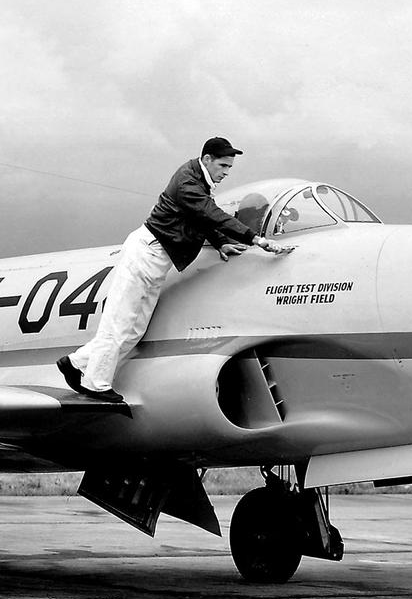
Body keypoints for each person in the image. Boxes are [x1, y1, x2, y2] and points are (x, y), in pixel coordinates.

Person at [57, 137, 293, 403]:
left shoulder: (201, 180)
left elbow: (200, 219)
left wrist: (221, 243)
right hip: (144, 254)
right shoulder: (187, 183)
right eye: (223, 166)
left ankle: (75, 363)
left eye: (229, 167)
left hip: (158, 259)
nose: (226, 172)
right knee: (119, 324)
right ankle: (96, 384)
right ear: (207, 160)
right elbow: (210, 213)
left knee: (134, 331)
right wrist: (256, 239)